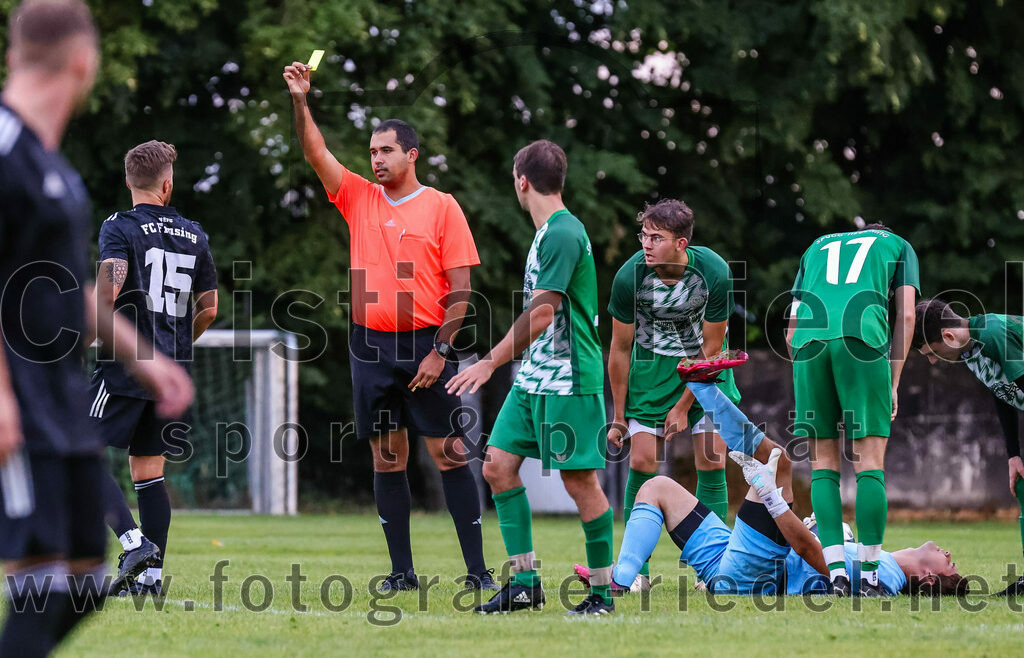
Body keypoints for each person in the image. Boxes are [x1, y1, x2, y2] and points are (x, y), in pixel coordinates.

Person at [0, 2, 193, 655]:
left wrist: (144, 357)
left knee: (86, 573)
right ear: (85, 62)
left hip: (57, 397)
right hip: (16, 398)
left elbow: (69, 290)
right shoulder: (4, 147)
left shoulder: (55, 170)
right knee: (41, 576)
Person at [283, 61, 494, 591]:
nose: (376, 159)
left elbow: (462, 288)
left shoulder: (442, 207)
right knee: (386, 457)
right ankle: (402, 574)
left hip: (427, 345)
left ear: (411, 155)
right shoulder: (359, 197)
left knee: (448, 453)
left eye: (386, 151)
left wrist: (440, 351)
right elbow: (315, 152)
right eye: (372, 152)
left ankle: (478, 573)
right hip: (370, 346)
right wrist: (301, 101)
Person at [585, 378, 966, 598]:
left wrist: (771, 498)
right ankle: (620, 579)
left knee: (778, 462)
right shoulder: (878, 560)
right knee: (657, 487)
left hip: (756, 572)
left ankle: (703, 387)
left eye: (950, 564)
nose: (948, 553)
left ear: (928, 579)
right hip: (736, 562)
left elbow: (810, 553)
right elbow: (818, 556)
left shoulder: (886, 576)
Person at [447, 139, 615, 615]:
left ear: (522, 181)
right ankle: (524, 583)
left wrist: (489, 361)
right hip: (535, 377)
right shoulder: (547, 233)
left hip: (569, 377)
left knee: (579, 481)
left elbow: (542, 314)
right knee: (497, 466)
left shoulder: (563, 232)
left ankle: (602, 594)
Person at [90, 140, 219, 597]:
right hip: (171, 372)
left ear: (128, 181)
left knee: (78, 452)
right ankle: (151, 579)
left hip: (127, 368)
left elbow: (108, 290)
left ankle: (133, 543)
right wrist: (179, 346)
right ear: (167, 184)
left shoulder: (119, 226)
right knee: (149, 472)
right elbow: (210, 308)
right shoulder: (195, 234)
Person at [606, 198, 741, 590]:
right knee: (642, 462)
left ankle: (714, 570)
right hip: (651, 372)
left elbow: (712, 347)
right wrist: (618, 416)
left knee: (711, 461)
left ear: (681, 244)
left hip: (705, 369)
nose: (646, 244)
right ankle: (636, 572)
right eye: (643, 235)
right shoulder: (630, 276)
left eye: (656, 237)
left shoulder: (714, 271)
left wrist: (684, 405)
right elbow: (619, 349)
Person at [787, 222, 918, 596]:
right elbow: (908, 316)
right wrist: (893, 382)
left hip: (808, 343)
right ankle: (871, 577)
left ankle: (837, 575)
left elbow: (791, 330)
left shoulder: (816, 245)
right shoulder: (898, 244)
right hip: (861, 338)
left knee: (823, 467)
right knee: (869, 465)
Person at [913, 299, 1024, 596]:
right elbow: (1002, 393)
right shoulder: (971, 351)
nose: (933, 361)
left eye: (932, 352)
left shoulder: (993, 334)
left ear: (948, 336)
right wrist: (1014, 454)